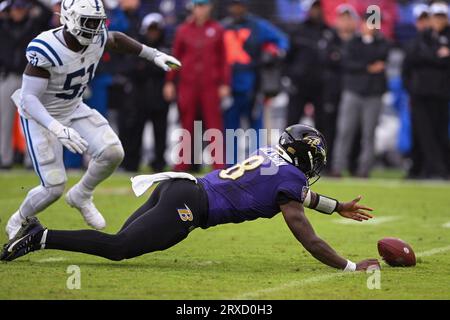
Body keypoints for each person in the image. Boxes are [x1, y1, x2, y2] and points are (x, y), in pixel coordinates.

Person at [1, 124, 380, 273]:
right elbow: (308, 236)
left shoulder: (273, 160)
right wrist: (350, 268)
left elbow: (298, 196)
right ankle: (40, 235)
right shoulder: (290, 178)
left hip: (179, 187)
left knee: (118, 242)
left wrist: (337, 207)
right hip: (187, 206)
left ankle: (38, 231)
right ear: (304, 157)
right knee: (119, 249)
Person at [4, 0, 181, 241]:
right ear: (70, 18)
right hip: (40, 116)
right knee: (54, 186)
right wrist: (56, 128)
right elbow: (29, 99)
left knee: (113, 153)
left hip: (73, 107)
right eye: (89, 22)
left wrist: (153, 54)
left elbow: (116, 38)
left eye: (99, 22)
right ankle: (18, 220)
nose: (95, 28)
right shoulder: (47, 47)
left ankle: (81, 194)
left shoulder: (96, 37)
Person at [164, 0, 230, 172]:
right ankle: (182, 165)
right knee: (187, 124)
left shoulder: (216, 30)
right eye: (198, 5)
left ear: (210, 7)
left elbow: (223, 59)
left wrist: (224, 83)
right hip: (188, 84)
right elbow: (175, 58)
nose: (200, 10)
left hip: (210, 85)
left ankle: (219, 166)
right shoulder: (183, 30)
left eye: (204, 6)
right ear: (193, 7)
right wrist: (170, 81)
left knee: (214, 124)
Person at [221, 0, 289, 164]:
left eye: (239, 5)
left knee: (256, 128)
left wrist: (275, 53)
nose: (236, 9)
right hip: (229, 84)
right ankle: (231, 166)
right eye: (234, 5)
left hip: (253, 83)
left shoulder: (258, 26)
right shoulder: (222, 27)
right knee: (230, 129)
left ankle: (256, 165)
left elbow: (282, 40)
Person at [331, 13, 390, 178]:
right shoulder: (353, 42)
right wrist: (368, 67)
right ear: (362, 24)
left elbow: (381, 57)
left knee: (369, 133)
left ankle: (364, 169)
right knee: (345, 131)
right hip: (353, 91)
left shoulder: (383, 43)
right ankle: (338, 166)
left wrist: (363, 65)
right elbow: (348, 63)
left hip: (374, 93)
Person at [402, 2, 450, 179]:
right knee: (422, 132)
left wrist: (430, 58)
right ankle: (424, 169)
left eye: (441, 17)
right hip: (420, 94)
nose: (437, 20)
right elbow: (411, 59)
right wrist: (438, 57)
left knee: (439, 132)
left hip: (442, 94)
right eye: (435, 17)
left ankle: (439, 168)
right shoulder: (422, 38)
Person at [0, 0, 50, 169]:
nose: (18, 12)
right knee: (4, 121)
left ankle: (32, 159)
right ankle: (4, 159)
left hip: (29, 77)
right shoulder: (3, 25)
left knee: (33, 119)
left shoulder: (35, 25)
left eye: (22, 8)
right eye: (15, 8)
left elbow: (48, 14)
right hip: (7, 76)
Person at [120, 13, 170, 172]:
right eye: (150, 30)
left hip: (159, 98)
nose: (153, 33)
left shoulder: (167, 47)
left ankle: (159, 164)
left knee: (160, 133)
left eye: (156, 30)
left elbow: (169, 70)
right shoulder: (137, 47)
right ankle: (131, 164)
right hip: (139, 98)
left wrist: (145, 67)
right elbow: (130, 69)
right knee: (135, 133)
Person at [319, 4, 358, 169]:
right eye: (342, 18)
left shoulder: (360, 40)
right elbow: (325, 59)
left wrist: (342, 59)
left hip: (354, 89)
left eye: (348, 18)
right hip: (331, 90)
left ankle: (352, 164)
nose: (345, 22)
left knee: (355, 128)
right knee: (329, 127)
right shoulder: (330, 38)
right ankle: (327, 164)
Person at [285, 0, 329, 129]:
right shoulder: (298, 31)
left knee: (321, 124)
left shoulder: (328, 32)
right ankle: (287, 149)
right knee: (292, 122)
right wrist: (289, 77)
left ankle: (320, 149)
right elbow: (288, 57)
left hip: (320, 86)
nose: (316, 11)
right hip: (299, 84)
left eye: (318, 7)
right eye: (313, 8)